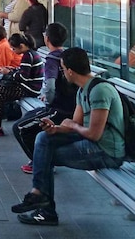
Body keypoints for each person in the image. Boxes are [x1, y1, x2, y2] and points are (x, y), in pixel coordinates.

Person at [11, 47, 124, 226]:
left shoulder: (99, 91)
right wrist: (55, 128)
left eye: (63, 69)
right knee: (43, 138)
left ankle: (45, 207)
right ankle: (39, 195)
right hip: (91, 141)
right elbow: (76, 124)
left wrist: (70, 125)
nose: (62, 73)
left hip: (107, 151)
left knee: (45, 156)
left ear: (70, 71)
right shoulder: (83, 90)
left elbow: (94, 134)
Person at [13, 23, 76, 174]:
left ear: (47, 39)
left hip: (59, 109)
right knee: (29, 117)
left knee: (20, 128)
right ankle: (41, 158)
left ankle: (41, 162)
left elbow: (51, 86)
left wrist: (48, 100)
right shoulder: (68, 55)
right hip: (71, 107)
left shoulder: (53, 59)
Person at [0, 33, 43, 136]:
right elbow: (24, 72)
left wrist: (8, 73)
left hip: (29, 89)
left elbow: (23, 78)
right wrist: (14, 70)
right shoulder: (30, 53)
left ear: (21, 46)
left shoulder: (27, 56)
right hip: (30, 87)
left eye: (14, 49)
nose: (13, 51)